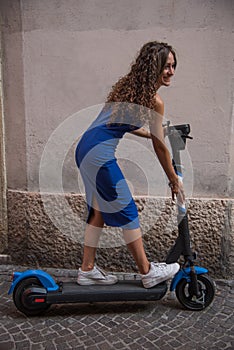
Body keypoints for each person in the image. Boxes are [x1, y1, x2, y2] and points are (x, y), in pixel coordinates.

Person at [75, 41, 184, 288]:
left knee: (99, 210)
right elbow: (159, 147)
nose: (171, 72)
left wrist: (148, 133)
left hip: (85, 148)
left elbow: (116, 122)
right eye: (166, 66)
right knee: (128, 211)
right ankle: (147, 272)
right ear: (153, 66)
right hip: (99, 153)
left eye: (174, 66)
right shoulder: (154, 100)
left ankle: (87, 269)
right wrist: (173, 179)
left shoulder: (128, 87)